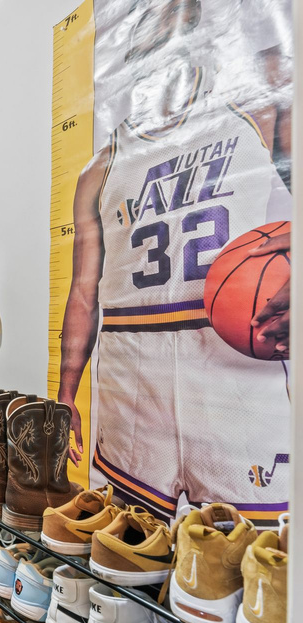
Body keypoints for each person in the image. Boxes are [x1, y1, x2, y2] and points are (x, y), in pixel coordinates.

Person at [58, 0, 291, 526]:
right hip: (131, 386)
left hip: (235, 387)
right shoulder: (99, 170)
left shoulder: (258, 110)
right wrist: (67, 392)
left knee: (243, 560)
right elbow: (83, 292)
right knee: (130, 555)